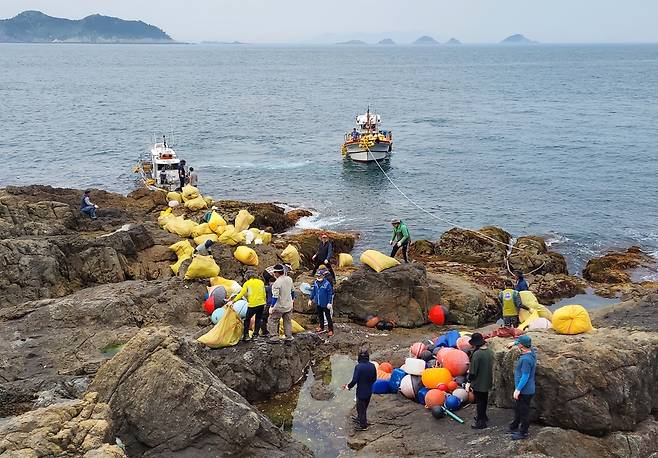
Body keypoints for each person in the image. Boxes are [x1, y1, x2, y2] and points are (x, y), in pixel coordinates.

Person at [508, 335, 537, 440]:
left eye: (518, 343)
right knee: (518, 408)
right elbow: (525, 344)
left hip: (525, 390)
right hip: (528, 389)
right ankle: (514, 425)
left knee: (524, 411)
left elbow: (525, 376)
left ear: (521, 345)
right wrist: (514, 343)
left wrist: (518, 389)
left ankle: (523, 432)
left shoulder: (525, 360)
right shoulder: (532, 352)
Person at [342, 347, 377, 431]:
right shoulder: (372, 365)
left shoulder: (358, 367)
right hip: (369, 391)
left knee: (361, 409)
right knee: (364, 407)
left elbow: (354, 380)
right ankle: (360, 419)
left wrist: (348, 386)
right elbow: (375, 378)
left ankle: (363, 425)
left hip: (361, 392)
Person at [228, 269, 267, 342]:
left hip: (252, 305)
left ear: (247, 276)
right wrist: (264, 302)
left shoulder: (247, 283)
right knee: (258, 319)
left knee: (247, 319)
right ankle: (255, 335)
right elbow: (264, 293)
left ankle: (246, 335)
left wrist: (233, 301)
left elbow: (241, 294)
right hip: (261, 303)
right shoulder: (261, 282)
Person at [466, 332, 494, 429]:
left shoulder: (477, 354)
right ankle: (483, 416)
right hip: (488, 380)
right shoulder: (490, 352)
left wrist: (468, 382)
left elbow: (473, 372)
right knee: (484, 400)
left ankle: (480, 422)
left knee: (480, 402)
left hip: (479, 382)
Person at [267, 264, 294, 344]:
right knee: (287, 322)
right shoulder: (289, 279)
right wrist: (292, 300)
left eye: (275, 272)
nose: (274, 274)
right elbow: (292, 291)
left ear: (277, 273)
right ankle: (289, 337)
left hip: (279, 306)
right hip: (289, 305)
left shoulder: (277, 283)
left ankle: (274, 337)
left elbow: (275, 296)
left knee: (272, 320)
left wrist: (271, 306)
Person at [309, 268, 334, 337]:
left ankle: (331, 330)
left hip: (325, 304)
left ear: (323, 276)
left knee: (328, 317)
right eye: (317, 276)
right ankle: (321, 327)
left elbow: (330, 294)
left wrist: (329, 303)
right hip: (318, 303)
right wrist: (310, 299)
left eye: (320, 276)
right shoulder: (316, 283)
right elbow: (313, 291)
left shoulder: (327, 284)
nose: (318, 277)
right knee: (320, 316)